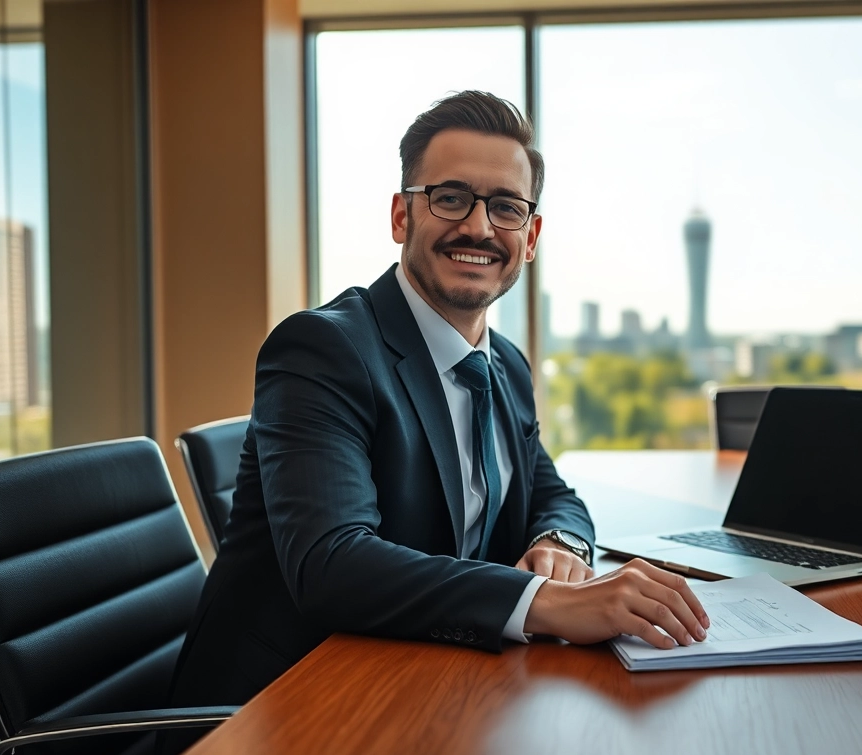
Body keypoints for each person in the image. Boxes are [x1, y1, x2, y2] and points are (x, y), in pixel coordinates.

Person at [167, 91, 710, 712]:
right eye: (451, 198)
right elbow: (332, 564)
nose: (479, 227)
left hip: (426, 683)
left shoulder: (502, 363)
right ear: (402, 217)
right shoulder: (323, 349)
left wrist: (561, 546)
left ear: (529, 238)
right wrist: (550, 603)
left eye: (506, 207)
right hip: (284, 708)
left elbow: (550, 492)